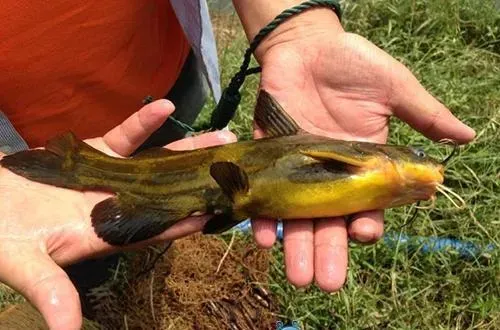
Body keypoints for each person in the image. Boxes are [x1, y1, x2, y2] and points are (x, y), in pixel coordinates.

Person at [0, 1, 475, 329]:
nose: (423, 166)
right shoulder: (360, 160)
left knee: (125, 215)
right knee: (80, 239)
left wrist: (296, 26)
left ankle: (108, 269)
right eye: (414, 157)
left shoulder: (364, 172)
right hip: (19, 131)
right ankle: (96, 288)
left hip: (155, 77)